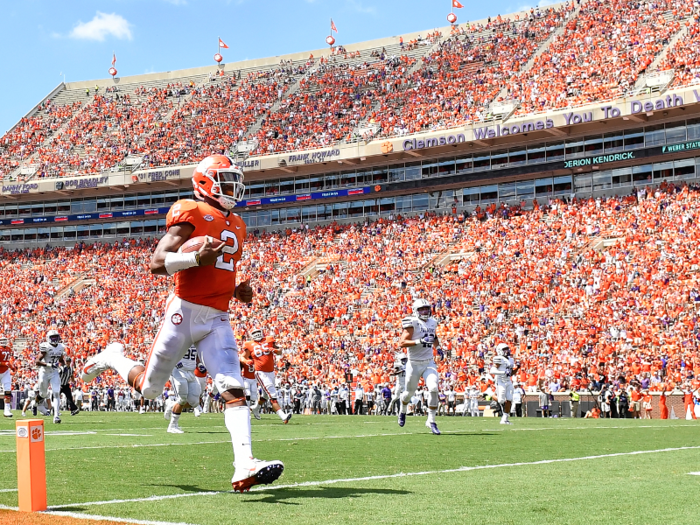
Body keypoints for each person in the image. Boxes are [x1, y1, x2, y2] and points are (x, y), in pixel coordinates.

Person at [80, 154, 284, 492]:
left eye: (235, 180)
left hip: (218, 316)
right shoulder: (190, 210)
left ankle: (244, 464)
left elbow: (216, 271)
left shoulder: (238, 224)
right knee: (149, 388)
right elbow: (157, 263)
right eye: (225, 179)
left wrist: (237, 290)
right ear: (204, 181)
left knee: (232, 389)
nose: (234, 187)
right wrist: (192, 257)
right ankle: (114, 357)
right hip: (183, 312)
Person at [398, 298, 441, 435]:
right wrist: (419, 341)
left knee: (434, 388)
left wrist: (438, 348)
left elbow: (434, 336)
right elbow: (402, 342)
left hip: (429, 362)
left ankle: (431, 420)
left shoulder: (433, 322)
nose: (425, 311)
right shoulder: (412, 322)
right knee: (408, 393)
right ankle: (402, 410)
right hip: (414, 363)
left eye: (426, 308)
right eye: (421, 309)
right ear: (415, 311)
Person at [246, 328, 292, 423]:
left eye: (258, 332)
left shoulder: (268, 340)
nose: (257, 334)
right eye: (255, 333)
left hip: (271, 372)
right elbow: (243, 356)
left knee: (265, 395)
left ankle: (255, 408)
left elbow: (279, 351)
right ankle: (283, 416)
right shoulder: (249, 344)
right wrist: (247, 361)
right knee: (272, 394)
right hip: (260, 372)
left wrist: (274, 349)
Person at [164, 345, 202, 433]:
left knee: (195, 402)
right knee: (182, 399)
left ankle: (172, 405)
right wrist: (175, 362)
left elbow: (197, 355)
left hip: (191, 373)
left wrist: (199, 364)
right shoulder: (180, 339)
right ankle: (172, 426)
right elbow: (168, 353)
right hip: (178, 372)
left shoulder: (196, 339)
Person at [37, 330, 66, 424]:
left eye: (56, 337)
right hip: (44, 372)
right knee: (43, 393)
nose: (54, 339)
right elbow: (37, 361)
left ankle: (56, 416)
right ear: (48, 338)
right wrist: (49, 365)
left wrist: (63, 366)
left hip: (54, 372)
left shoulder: (61, 347)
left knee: (56, 393)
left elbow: (61, 360)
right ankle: (37, 404)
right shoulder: (46, 346)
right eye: (52, 337)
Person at [491, 343, 518, 425]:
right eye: (504, 349)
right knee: (501, 400)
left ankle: (505, 419)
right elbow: (492, 370)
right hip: (500, 381)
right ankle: (492, 395)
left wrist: (517, 368)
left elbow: (511, 373)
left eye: (507, 349)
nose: (507, 351)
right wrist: (503, 372)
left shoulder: (511, 359)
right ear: (500, 351)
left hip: (508, 381)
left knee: (509, 399)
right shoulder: (499, 359)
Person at [238, 342, 260, 420]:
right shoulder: (245, 360)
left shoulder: (256, 359)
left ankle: (254, 410)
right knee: (248, 394)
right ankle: (247, 411)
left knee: (254, 397)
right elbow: (240, 366)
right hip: (246, 378)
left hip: (253, 379)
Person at [0, 337, 14, 418]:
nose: (3, 342)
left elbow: (8, 361)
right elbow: (5, 362)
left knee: (8, 390)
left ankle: (7, 410)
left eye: (4, 340)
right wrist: (4, 364)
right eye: (1, 341)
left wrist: (11, 366)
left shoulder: (8, 349)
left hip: (5, 372)